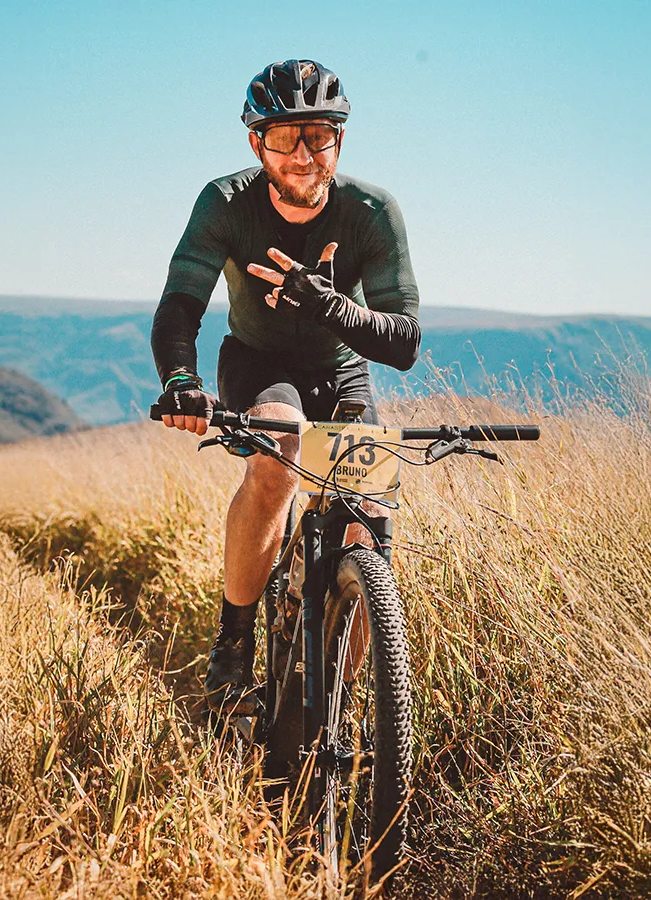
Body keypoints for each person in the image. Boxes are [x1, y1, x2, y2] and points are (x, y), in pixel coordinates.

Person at [151, 58, 421, 712]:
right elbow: (180, 306)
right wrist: (182, 380)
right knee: (282, 449)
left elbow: (404, 343)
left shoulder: (372, 212)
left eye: (318, 135)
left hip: (343, 369)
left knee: (372, 516)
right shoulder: (225, 203)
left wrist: (330, 306)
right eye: (283, 137)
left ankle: (338, 705)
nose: (302, 154)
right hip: (258, 363)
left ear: (340, 139)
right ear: (256, 143)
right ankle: (235, 637)